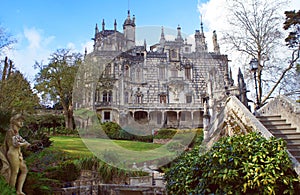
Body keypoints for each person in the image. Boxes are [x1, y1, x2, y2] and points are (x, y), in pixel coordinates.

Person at [1, 114, 30, 195]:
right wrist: (24, 144)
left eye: (22, 121)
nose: (21, 123)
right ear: (14, 122)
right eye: (19, 121)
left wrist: (27, 144)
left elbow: (21, 140)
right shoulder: (10, 131)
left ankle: (19, 190)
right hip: (12, 153)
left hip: (17, 153)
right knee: (15, 172)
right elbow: (16, 144)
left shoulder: (16, 132)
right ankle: (11, 191)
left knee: (24, 170)